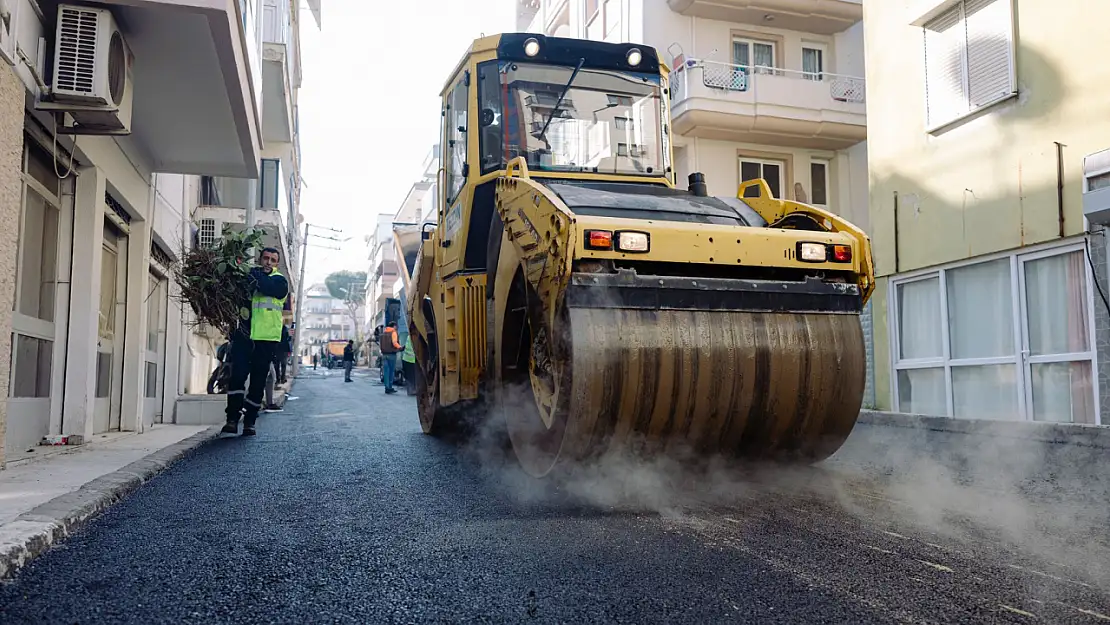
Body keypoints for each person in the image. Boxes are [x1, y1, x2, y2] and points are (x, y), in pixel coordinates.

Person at [222, 247, 289, 436]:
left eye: (273, 260)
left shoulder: (280, 281)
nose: (268, 262)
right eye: (265, 258)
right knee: (237, 378)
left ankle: (250, 422)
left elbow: (268, 287)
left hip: (266, 340)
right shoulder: (248, 277)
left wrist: (252, 273)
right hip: (244, 337)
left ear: (277, 264)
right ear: (260, 259)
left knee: (258, 382)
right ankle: (232, 420)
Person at [380, 321, 401, 394]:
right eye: (396, 326)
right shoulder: (393, 333)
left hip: (384, 355)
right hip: (391, 355)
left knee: (386, 372)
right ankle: (390, 387)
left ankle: (386, 387)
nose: (396, 327)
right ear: (394, 326)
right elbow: (394, 343)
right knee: (391, 372)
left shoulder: (382, 334)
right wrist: (400, 347)